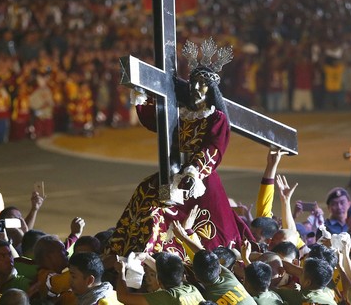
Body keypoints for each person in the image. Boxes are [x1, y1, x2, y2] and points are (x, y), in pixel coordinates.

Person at [108, 38, 254, 256]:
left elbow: (214, 148)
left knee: (189, 223)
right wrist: (142, 95)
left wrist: (194, 171)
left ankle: (165, 257)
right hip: (173, 171)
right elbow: (157, 120)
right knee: (145, 193)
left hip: (199, 180)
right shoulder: (180, 111)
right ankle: (125, 250)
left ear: (211, 89)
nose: (196, 87)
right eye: (194, 82)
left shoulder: (216, 118)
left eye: (203, 84)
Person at [114, 252, 204, 305]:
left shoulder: (168, 296)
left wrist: (121, 271)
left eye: (153, 275)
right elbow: (167, 272)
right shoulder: (191, 288)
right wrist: (146, 257)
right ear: (183, 275)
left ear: (159, 282)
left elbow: (122, 297)